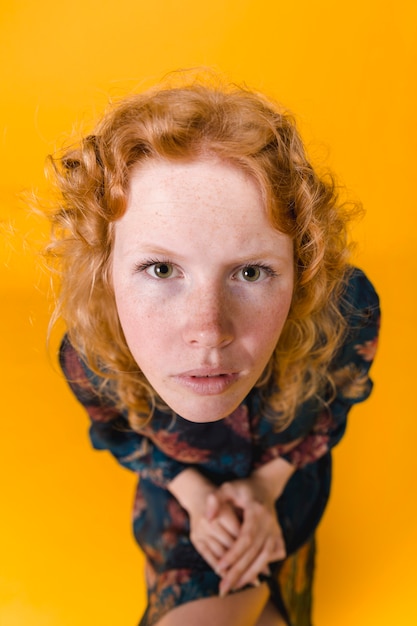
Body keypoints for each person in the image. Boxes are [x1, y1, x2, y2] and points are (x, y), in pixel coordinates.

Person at [47, 78, 380, 626]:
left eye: (251, 271)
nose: (209, 332)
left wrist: (267, 489)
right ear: (105, 271)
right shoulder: (90, 351)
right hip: (174, 509)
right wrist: (195, 496)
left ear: (302, 272)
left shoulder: (347, 311)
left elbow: (332, 405)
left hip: (291, 499)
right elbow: (116, 428)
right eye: (160, 269)